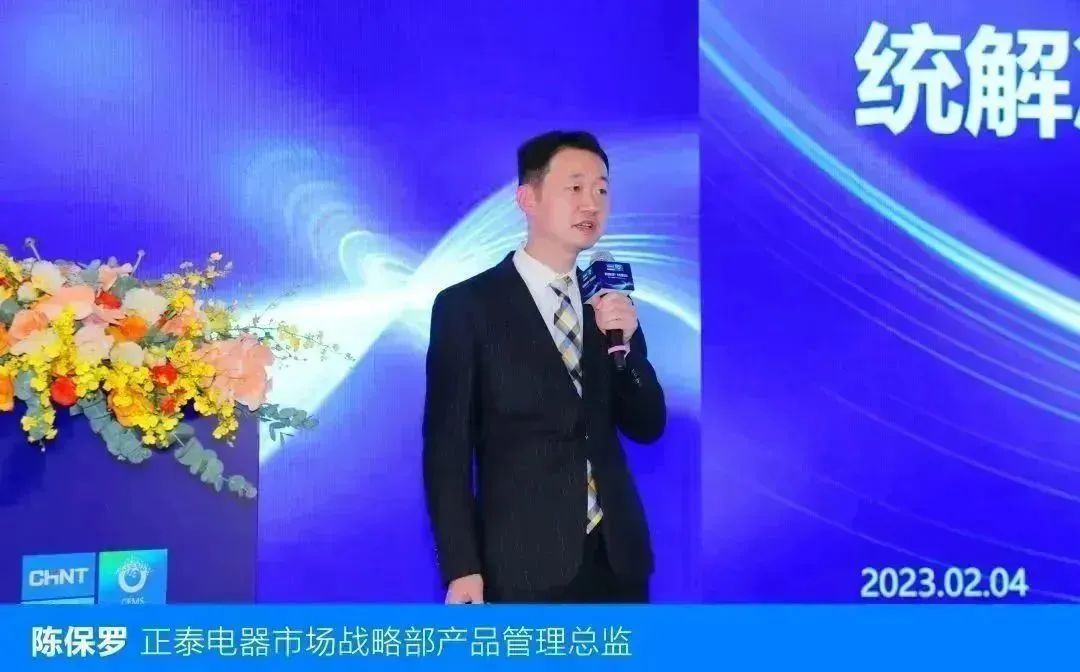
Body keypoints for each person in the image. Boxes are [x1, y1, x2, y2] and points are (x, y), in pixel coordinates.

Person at [422, 130, 666, 604]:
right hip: (521, 566)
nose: (591, 203)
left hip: (618, 561)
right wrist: (462, 566)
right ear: (527, 199)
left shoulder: (608, 302)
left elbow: (647, 425)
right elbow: (446, 451)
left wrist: (628, 353)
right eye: (574, 188)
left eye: (601, 189)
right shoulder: (467, 306)